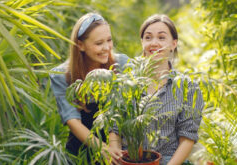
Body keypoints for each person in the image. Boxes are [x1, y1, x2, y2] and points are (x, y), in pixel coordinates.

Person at [110, 14, 204, 165]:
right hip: (129, 160)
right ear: (142, 42)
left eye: (161, 38)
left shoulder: (188, 87)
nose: (154, 43)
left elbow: (187, 137)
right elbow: (114, 126)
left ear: (174, 44)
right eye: (148, 38)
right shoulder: (126, 82)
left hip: (169, 160)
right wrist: (115, 151)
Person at [50, 12, 128, 164]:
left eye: (109, 40)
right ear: (80, 45)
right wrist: (103, 149)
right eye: (99, 43)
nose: (106, 48)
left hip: (119, 146)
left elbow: (119, 110)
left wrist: (113, 148)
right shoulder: (62, 75)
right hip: (82, 149)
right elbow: (72, 120)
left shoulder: (121, 64)